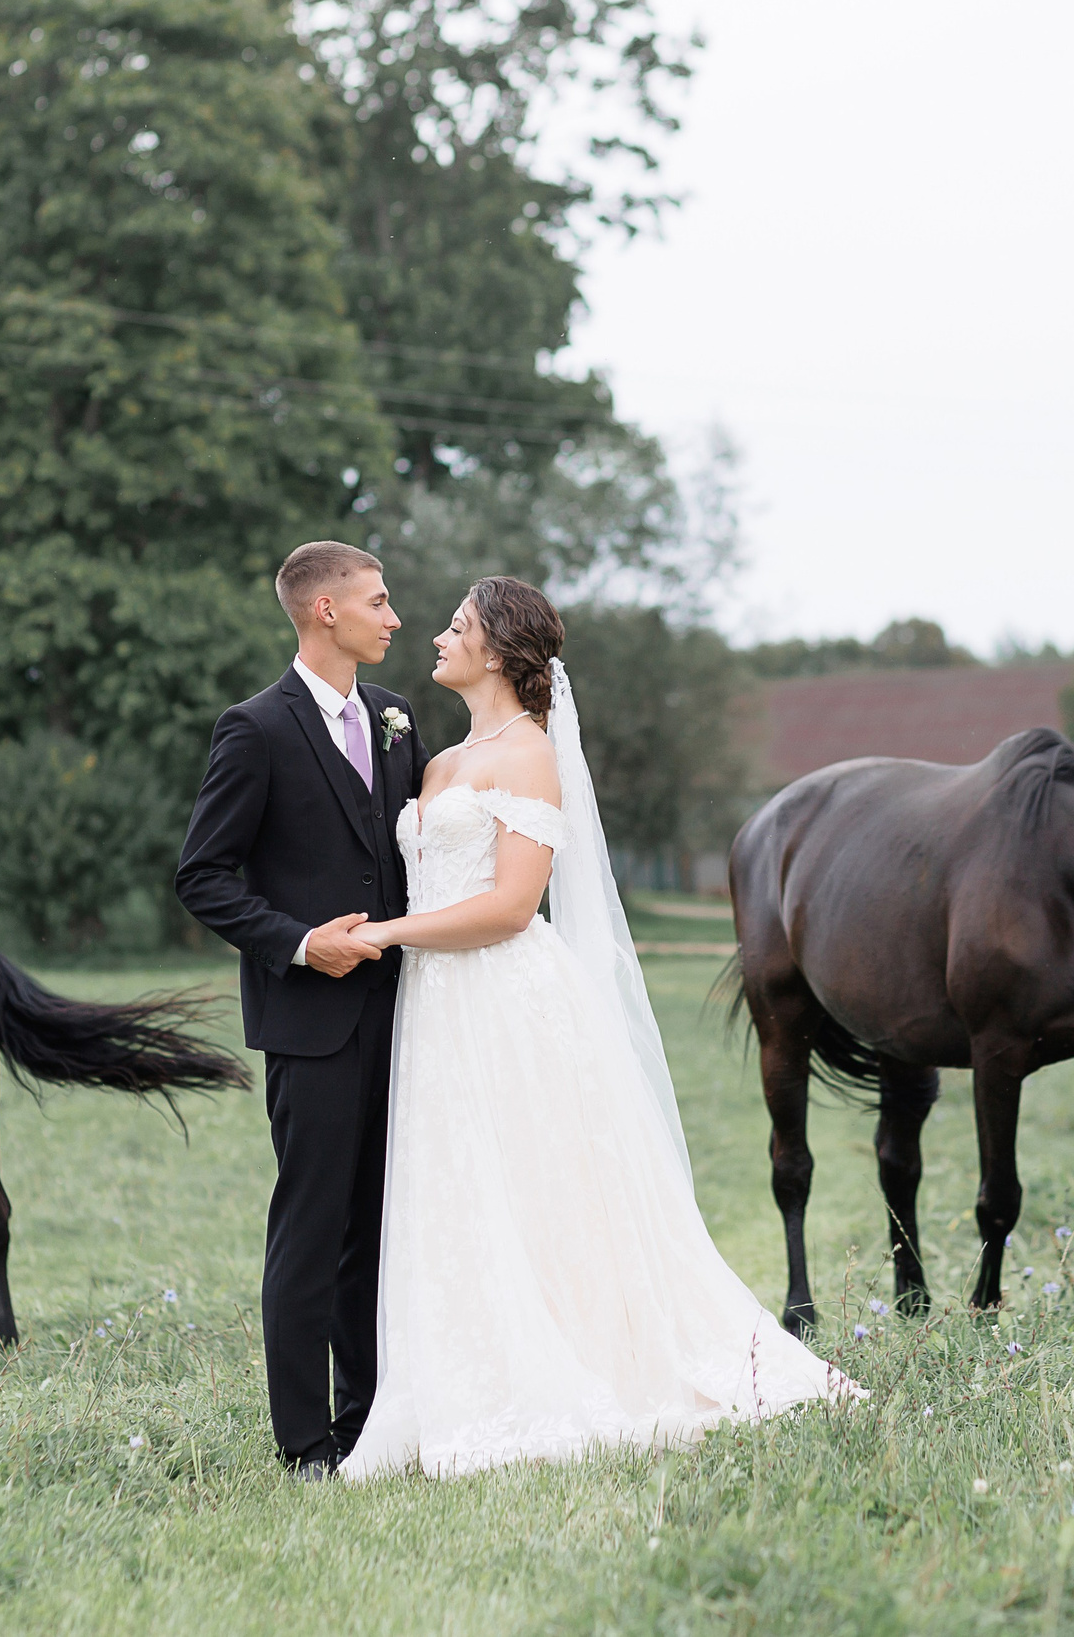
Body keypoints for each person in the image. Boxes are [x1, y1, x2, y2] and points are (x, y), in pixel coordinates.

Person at [336, 576, 865, 1481]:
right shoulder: (436, 763)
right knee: (460, 1184)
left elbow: (508, 906)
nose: (436, 636)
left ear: (495, 652)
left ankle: (587, 1360)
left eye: (455, 626)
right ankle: (459, 1369)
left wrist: (383, 934)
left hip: (504, 999)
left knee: (541, 1189)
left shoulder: (530, 756)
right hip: (436, 1008)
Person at [175, 541, 427, 1478]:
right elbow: (201, 876)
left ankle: (367, 1420)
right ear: (325, 611)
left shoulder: (399, 717)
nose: (394, 617)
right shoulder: (255, 728)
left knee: (381, 1223)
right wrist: (298, 940)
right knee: (312, 1229)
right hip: (310, 1027)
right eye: (378, 599)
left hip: (404, 1017)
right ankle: (304, 1442)